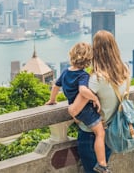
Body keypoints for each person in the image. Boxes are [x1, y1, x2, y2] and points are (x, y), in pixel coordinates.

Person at [68, 30, 131, 173]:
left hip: (90, 135)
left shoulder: (96, 79)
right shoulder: (125, 70)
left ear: (95, 50)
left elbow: (74, 110)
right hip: (110, 132)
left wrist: (74, 115)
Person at [45, 42, 110, 173]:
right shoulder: (83, 75)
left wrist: (52, 100)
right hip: (86, 111)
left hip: (76, 110)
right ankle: (102, 164)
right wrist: (94, 97)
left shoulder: (65, 72)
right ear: (88, 60)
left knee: (98, 131)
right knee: (100, 133)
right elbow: (83, 90)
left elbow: (56, 86)